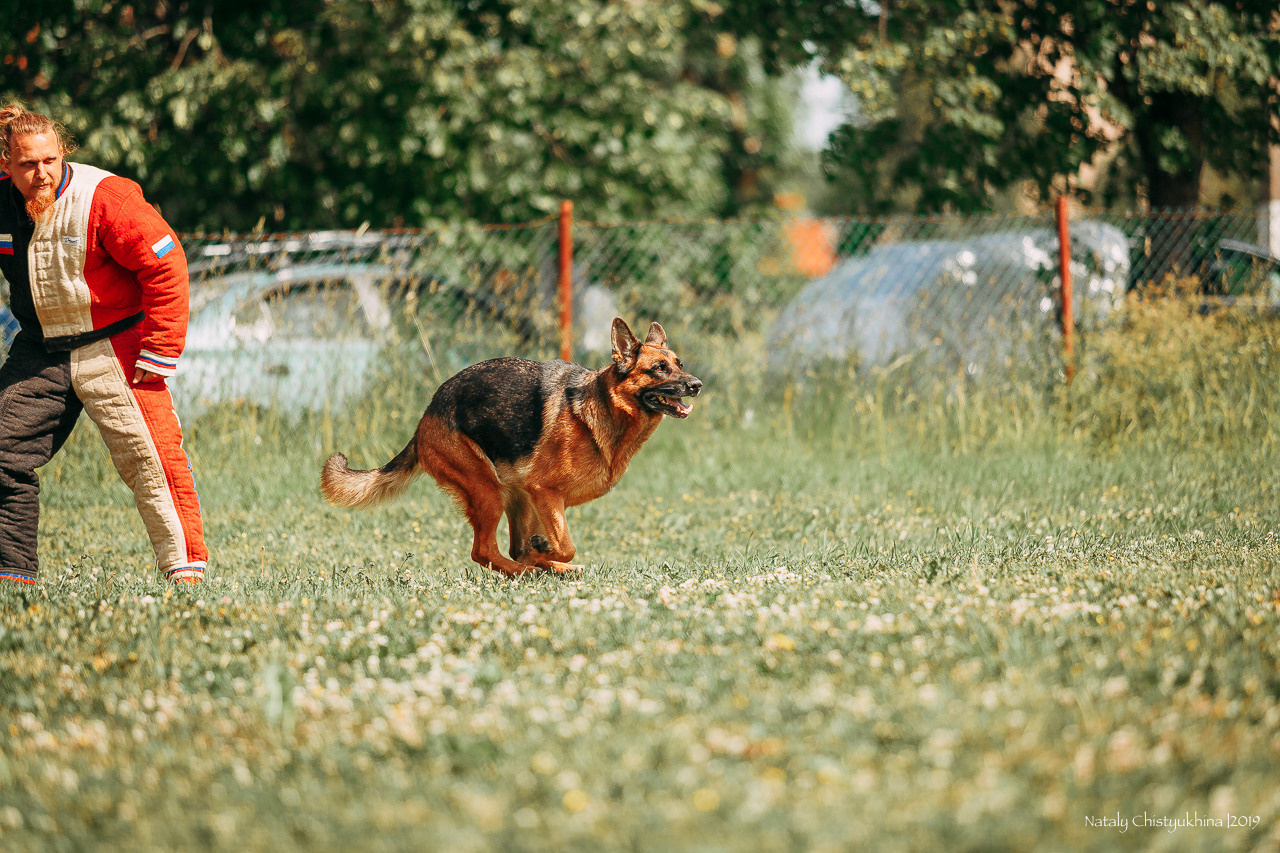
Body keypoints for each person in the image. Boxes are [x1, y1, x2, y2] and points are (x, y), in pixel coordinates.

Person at [0, 104, 208, 585]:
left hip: (116, 343)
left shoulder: (105, 196)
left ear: (63, 153)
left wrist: (160, 349)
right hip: (40, 349)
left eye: (50, 160)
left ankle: (185, 573)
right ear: (6, 164)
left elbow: (166, 263)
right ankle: (12, 575)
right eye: (28, 164)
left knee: (152, 460)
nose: (42, 173)